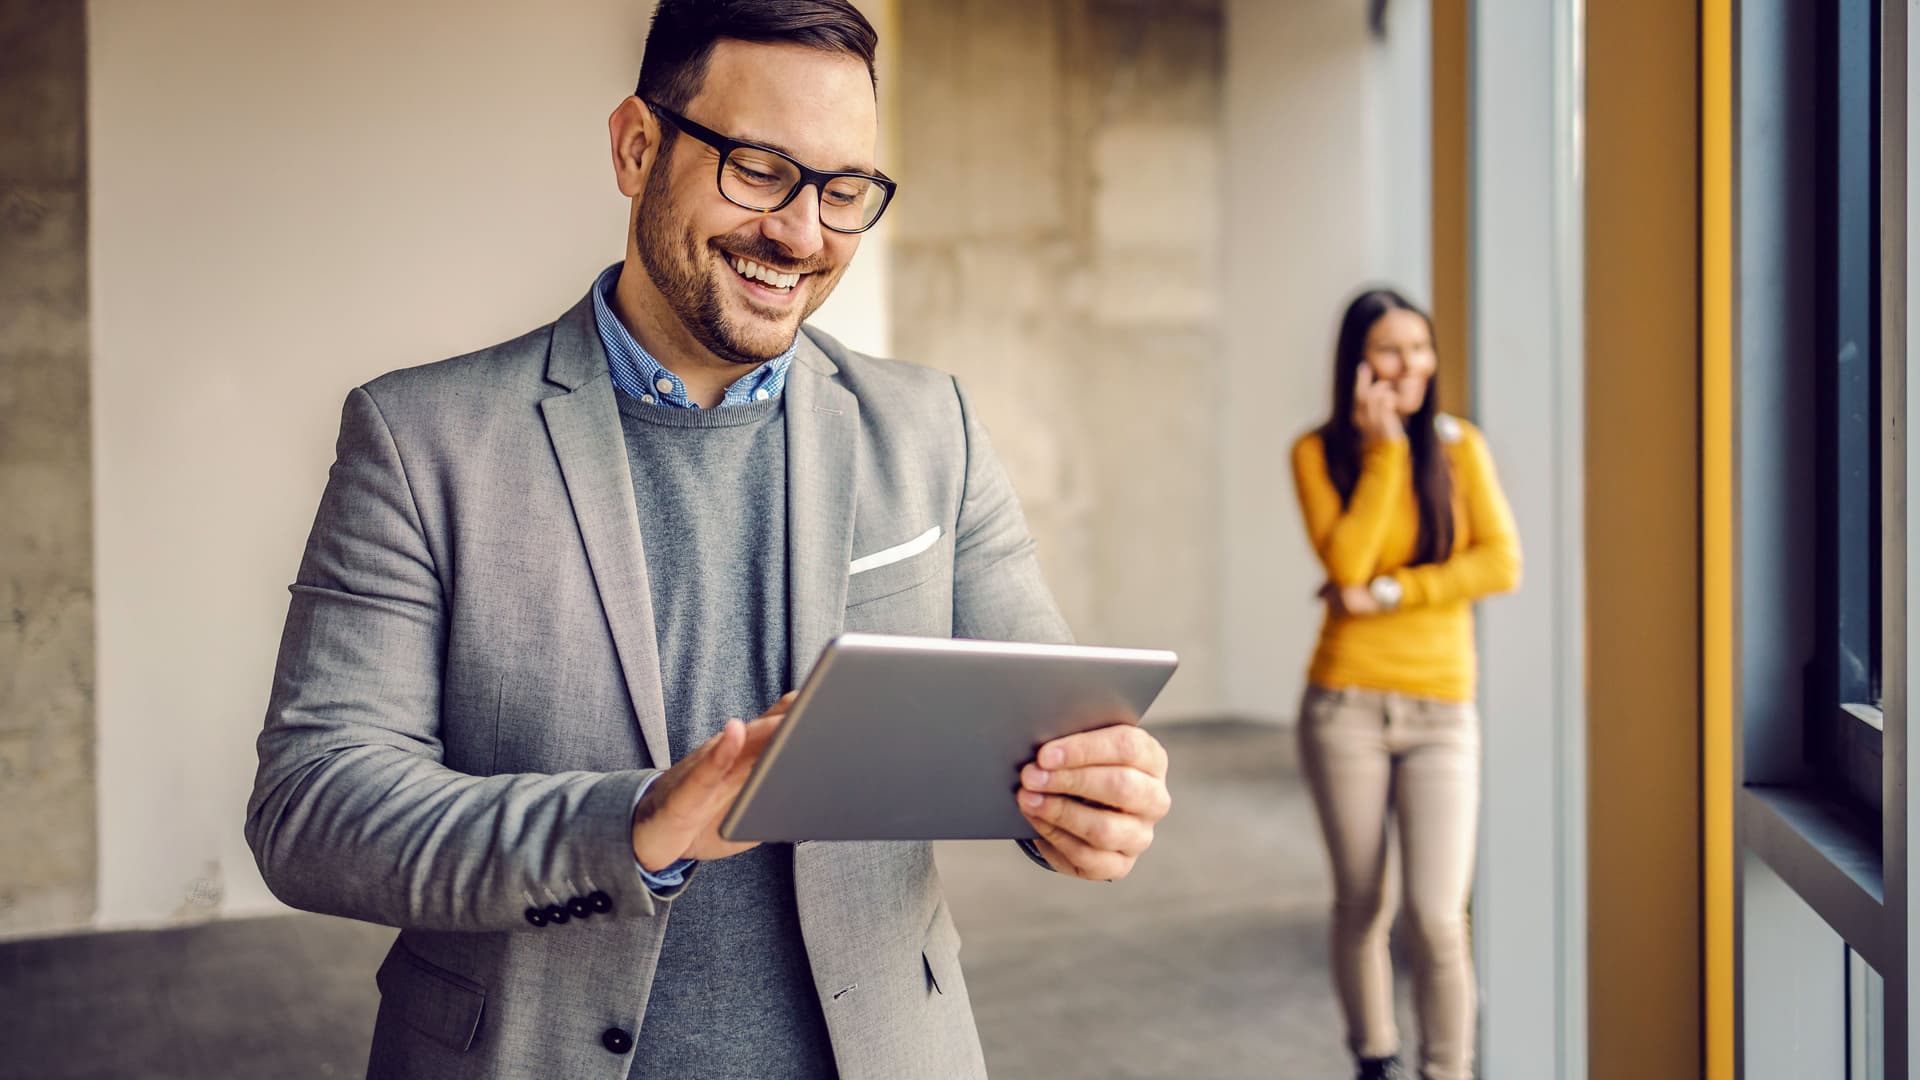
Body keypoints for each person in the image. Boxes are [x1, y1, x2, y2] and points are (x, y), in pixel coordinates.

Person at [243, 3, 1172, 1077]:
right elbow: (315, 807)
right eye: (760, 169)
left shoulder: (932, 432)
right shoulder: (422, 439)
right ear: (637, 147)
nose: (802, 233)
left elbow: (1042, 721)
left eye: (843, 190)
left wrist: (1087, 803)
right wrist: (635, 822)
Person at [1289, 289, 1520, 1080]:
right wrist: (1385, 452)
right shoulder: (1318, 453)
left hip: (1442, 710)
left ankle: (1447, 1071)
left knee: (1436, 916)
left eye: (1420, 348)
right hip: (1344, 706)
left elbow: (1501, 563)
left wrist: (1392, 593)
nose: (1411, 366)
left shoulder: (1461, 448)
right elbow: (1345, 561)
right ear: (1357, 364)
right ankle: (1374, 1060)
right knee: (1362, 904)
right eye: (1391, 351)